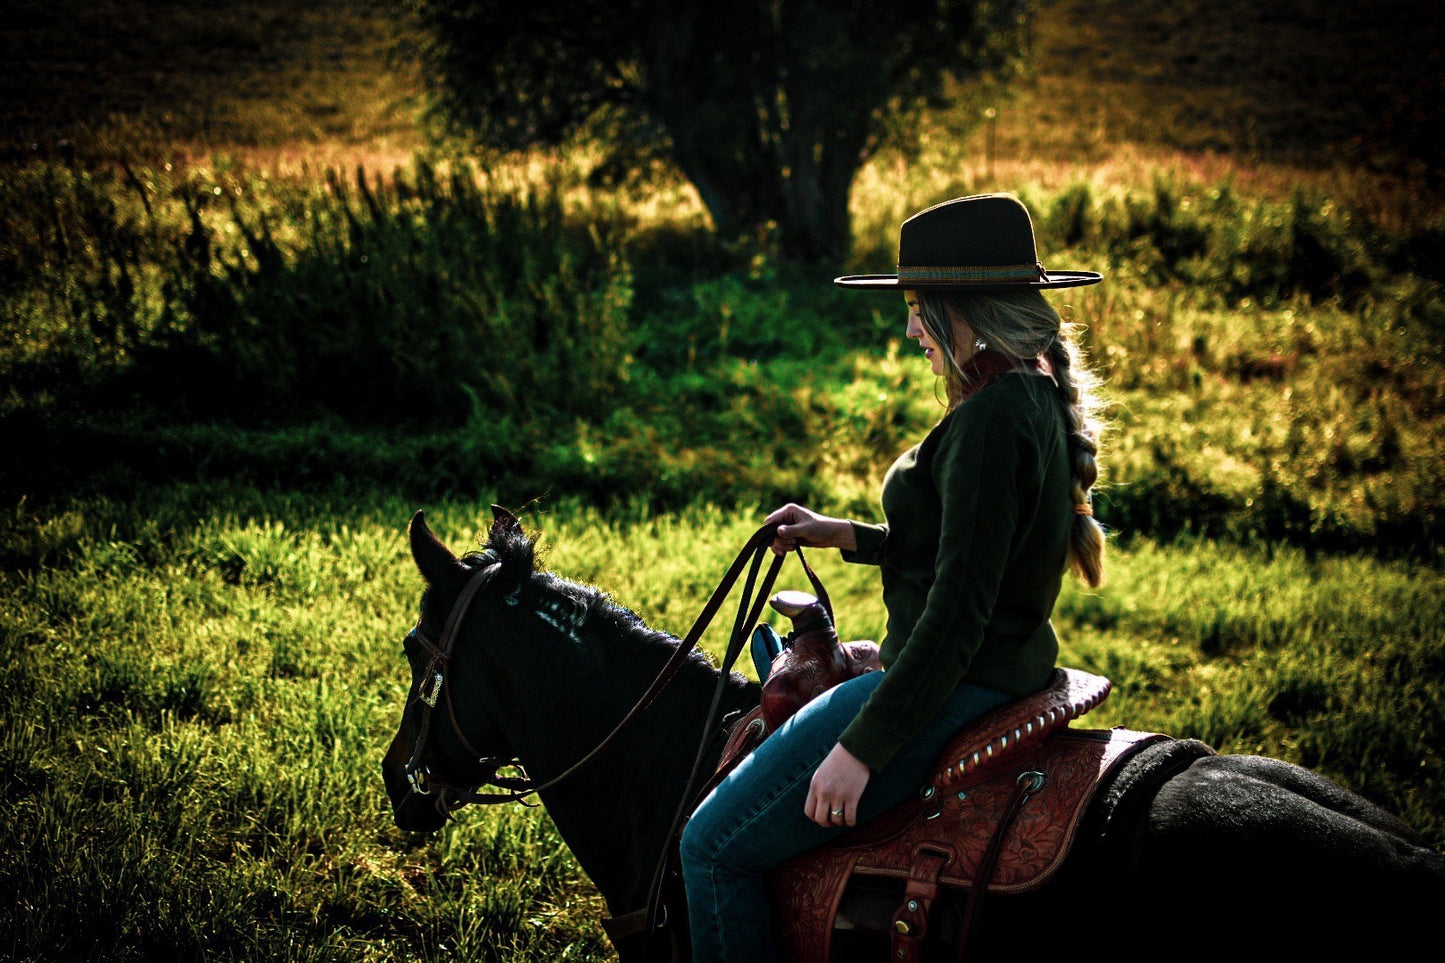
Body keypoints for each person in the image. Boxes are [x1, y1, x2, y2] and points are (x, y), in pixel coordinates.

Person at [678, 193, 1108, 961]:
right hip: (996, 669)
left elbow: (957, 610)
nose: (910, 330)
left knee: (710, 846)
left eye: (917, 309)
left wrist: (862, 747)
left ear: (963, 310)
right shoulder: (1027, 394)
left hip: (953, 682)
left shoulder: (987, 420)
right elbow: (971, 546)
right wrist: (845, 534)